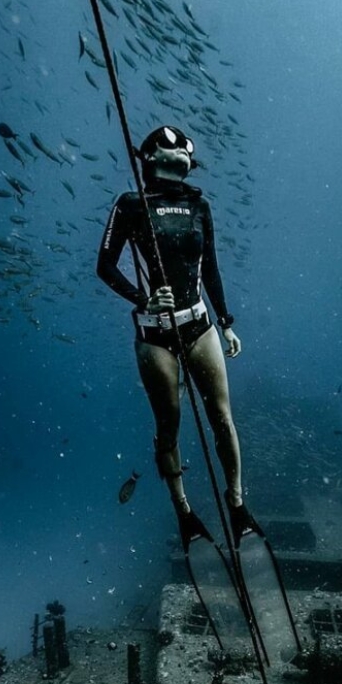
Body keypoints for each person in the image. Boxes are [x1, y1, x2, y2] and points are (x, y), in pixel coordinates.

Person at [96, 124, 256, 549]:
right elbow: (105, 265)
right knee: (169, 424)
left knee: (222, 417)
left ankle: (237, 505)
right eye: (168, 145)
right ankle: (184, 513)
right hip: (154, 334)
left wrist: (226, 322)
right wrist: (141, 299)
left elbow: (212, 269)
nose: (177, 146)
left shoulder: (200, 206)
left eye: (183, 147)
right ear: (148, 158)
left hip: (199, 324)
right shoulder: (131, 204)